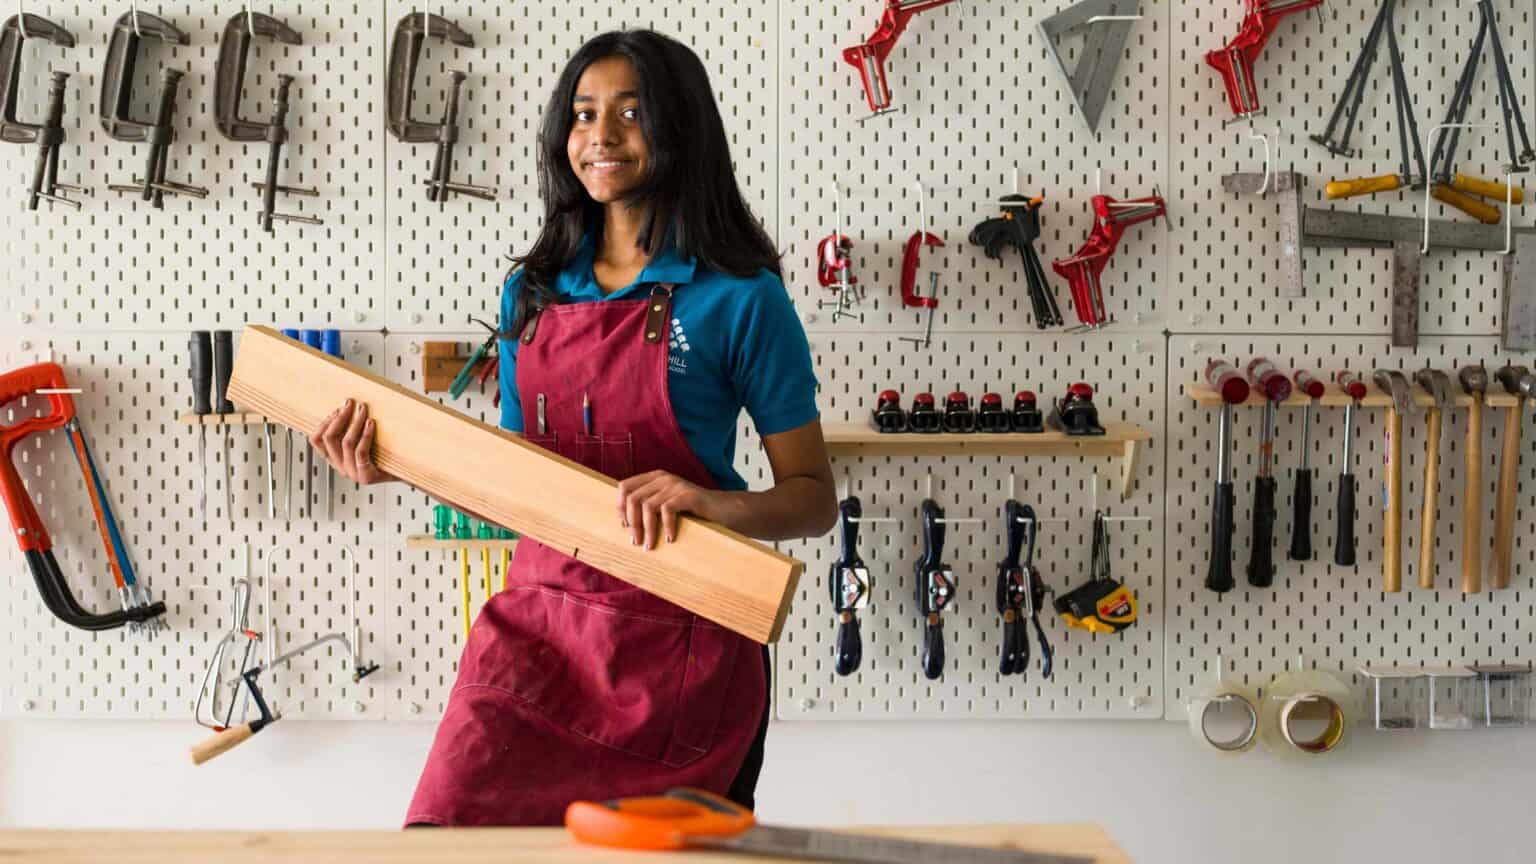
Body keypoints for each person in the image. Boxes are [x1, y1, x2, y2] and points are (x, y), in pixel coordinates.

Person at [309, 29, 838, 826]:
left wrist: (709, 502)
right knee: (443, 833)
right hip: (542, 632)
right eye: (584, 114)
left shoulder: (741, 296)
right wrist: (395, 463)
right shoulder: (531, 294)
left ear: (681, 127)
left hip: (685, 645)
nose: (602, 135)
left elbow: (812, 498)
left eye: (631, 112)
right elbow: (520, 489)